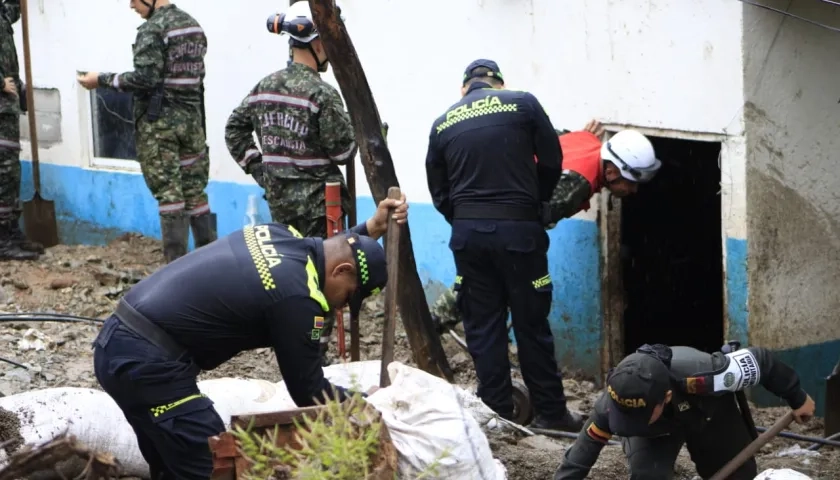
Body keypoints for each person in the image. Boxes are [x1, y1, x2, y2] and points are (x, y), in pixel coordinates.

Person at [92, 193, 408, 480]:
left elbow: (330, 249)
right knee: (216, 464)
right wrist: (367, 404)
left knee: (173, 462)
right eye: (349, 296)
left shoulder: (280, 234)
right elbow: (308, 391)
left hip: (118, 342)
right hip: (149, 366)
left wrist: (370, 228)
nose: (340, 306)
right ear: (341, 272)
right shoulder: (298, 301)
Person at [425, 58, 583, 432]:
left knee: (483, 327)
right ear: (498, 83)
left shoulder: (443, 122)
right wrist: (536, 206)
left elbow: (438, 189)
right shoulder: (523, 102)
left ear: (465, 89)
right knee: (531, 325)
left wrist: (465, 220)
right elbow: (552, 159)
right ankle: (551, 414)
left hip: (468, 237)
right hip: (519, 234)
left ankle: (497, 414)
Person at [430, 121, 662, 329]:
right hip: (493, 210)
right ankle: (435, 322)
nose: (633, 191)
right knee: (486, 278)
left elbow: (551, 140)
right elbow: (530, 220)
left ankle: (444, 320)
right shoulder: (577, 184)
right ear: (611, 172)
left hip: (487, 190)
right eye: (631, 183)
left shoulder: (586, 139)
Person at [77, 0, 215, 264]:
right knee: (196, 193)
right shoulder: (193, 27)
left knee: (170, 195)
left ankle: (176, 268)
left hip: (161, 125)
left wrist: (102, 80)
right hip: (192, 124)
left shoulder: (153, 29)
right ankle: (211, 262)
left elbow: (145, 79)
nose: (131, 5)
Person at [555, 343, 816, 480]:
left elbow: (762, 361)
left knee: (738, 476)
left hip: (708, 413)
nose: (629, 422)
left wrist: (797, 397)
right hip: (658, 433)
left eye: (637, 417)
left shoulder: (707, 374)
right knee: (648, 476)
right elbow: (578, 459)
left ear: (665, 397)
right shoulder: (613, 403)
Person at [225, 1, 356, 239]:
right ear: (317, 44)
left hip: (280, 209)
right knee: (324, 271)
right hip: (321, 214)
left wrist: (260, 170)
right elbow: (342, 153)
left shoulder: (264, 87)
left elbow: (234, 130)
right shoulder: (322, 94)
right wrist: (353, 128)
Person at [0, 0, 41, 261]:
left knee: (11, 172)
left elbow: (14, 7)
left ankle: (12, 232)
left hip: (8, 109)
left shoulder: (2, 14)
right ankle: (2, 241)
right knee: (3, 174)